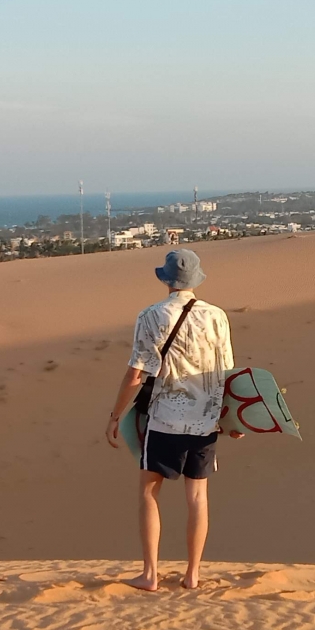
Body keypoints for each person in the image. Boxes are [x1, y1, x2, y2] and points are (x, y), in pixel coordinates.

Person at [104, 248, 241, 591]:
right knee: (198, 498)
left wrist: (115, 415)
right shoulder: (217, 316)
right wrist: (232, 419)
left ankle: (150, 574)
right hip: (206, 421)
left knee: (149, 493)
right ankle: (192, 575)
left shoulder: (151, 316)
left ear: (166, 280)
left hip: (164, 420)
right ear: (196, 279)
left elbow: (137, 374)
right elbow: (227, 371)